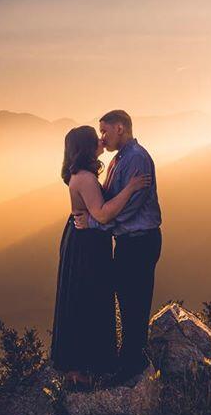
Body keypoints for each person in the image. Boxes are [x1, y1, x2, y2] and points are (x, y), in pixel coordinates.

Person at [51, 125, 150, 389]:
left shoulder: (81, 174)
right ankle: (83, 366)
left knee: (82, 296)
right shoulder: (83, 177)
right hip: (87, 244)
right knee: (88, 297)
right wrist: (130, 188)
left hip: (83, 240)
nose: (100, 139)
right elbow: (103, 214)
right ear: (85, 146)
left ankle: (82, 364)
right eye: (95, 138)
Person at [73, 109, 163, 384]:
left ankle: (133, 363)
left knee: (135, 299)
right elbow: (111, 199)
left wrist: (94, 223)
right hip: (128, 241)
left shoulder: (136, 159)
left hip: (140, 240)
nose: (102, 137)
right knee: (126, 297)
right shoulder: (119, 159)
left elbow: (130, 209)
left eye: (105, 131)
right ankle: (130, 356)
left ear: (120, 128)